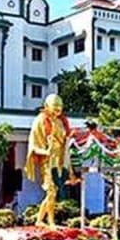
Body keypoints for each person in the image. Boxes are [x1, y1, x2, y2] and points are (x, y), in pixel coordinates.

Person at [25, 94, 78, 227]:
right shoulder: (39, 121)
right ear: (47, 106)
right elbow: (34, 144)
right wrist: (46, 152)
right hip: (48, 161)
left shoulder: (61, 122)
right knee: (51, 190)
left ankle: (40, 220)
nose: (57, 111)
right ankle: (50, 221)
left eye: (59, 108)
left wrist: (70, 169)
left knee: (53, 193)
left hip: (60, 159)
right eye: (55, 107)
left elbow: (64, 144)